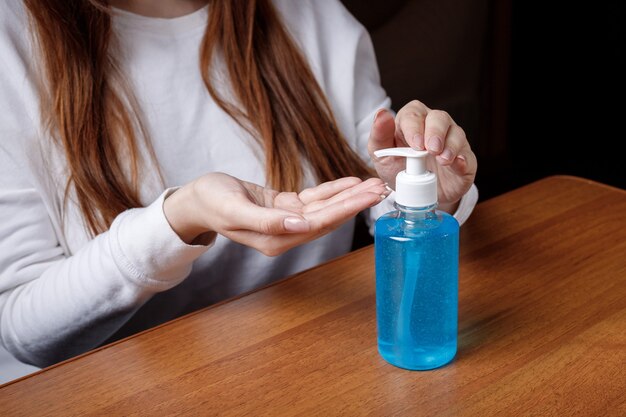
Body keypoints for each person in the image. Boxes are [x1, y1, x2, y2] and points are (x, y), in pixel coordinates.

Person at [0, 0, 478, 379]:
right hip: (110, 391)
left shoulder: (309, 12)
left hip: (311, 363)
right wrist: (178, 219)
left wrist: (434, 194)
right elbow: (27, 334)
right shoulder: (13, 41)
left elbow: (386, 185)